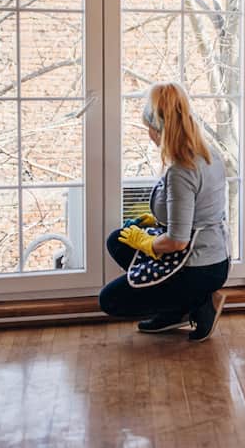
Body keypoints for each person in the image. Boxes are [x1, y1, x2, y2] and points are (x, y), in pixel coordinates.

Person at [98, 82, 230, 341]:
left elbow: (178, 241)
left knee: (110, 300)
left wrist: (148, 243)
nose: (148, 134)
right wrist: (154, 221)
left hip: (198, 266)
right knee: (119, 239)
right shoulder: (207, 152)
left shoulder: (183, 169)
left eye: (149, 128)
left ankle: (195, 303)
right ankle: (178, 308)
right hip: (214, 257)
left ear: (158, 130)